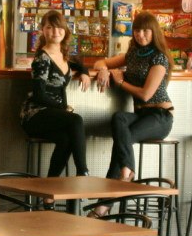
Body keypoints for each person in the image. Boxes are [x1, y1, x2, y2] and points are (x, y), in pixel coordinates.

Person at [92, 11, 175, 184]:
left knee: (124, 139)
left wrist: (121, 82)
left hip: (160, 116)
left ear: (154, 32)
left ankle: (122, 176)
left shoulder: (159, 58)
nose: (140, 35)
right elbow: (100, 62)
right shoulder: (133, 55)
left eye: (145, 31)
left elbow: (145, 95)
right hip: (141, 115)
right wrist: (104, 70)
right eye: (137, 30)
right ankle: (125, 173)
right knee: (119, 118)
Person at [19, 10, 92, 177]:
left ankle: (50, 187)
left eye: (59, 27)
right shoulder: (42, 58)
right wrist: (63, 107)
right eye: (50, 27)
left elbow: (81, 65)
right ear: (43, 30)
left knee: (67, 140)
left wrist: (85, 73)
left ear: (65, 30)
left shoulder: (64, 55)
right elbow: (39, 95)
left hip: (53, 114)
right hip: (35, 114)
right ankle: (83, 172)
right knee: (76, 120)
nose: (55, 32)